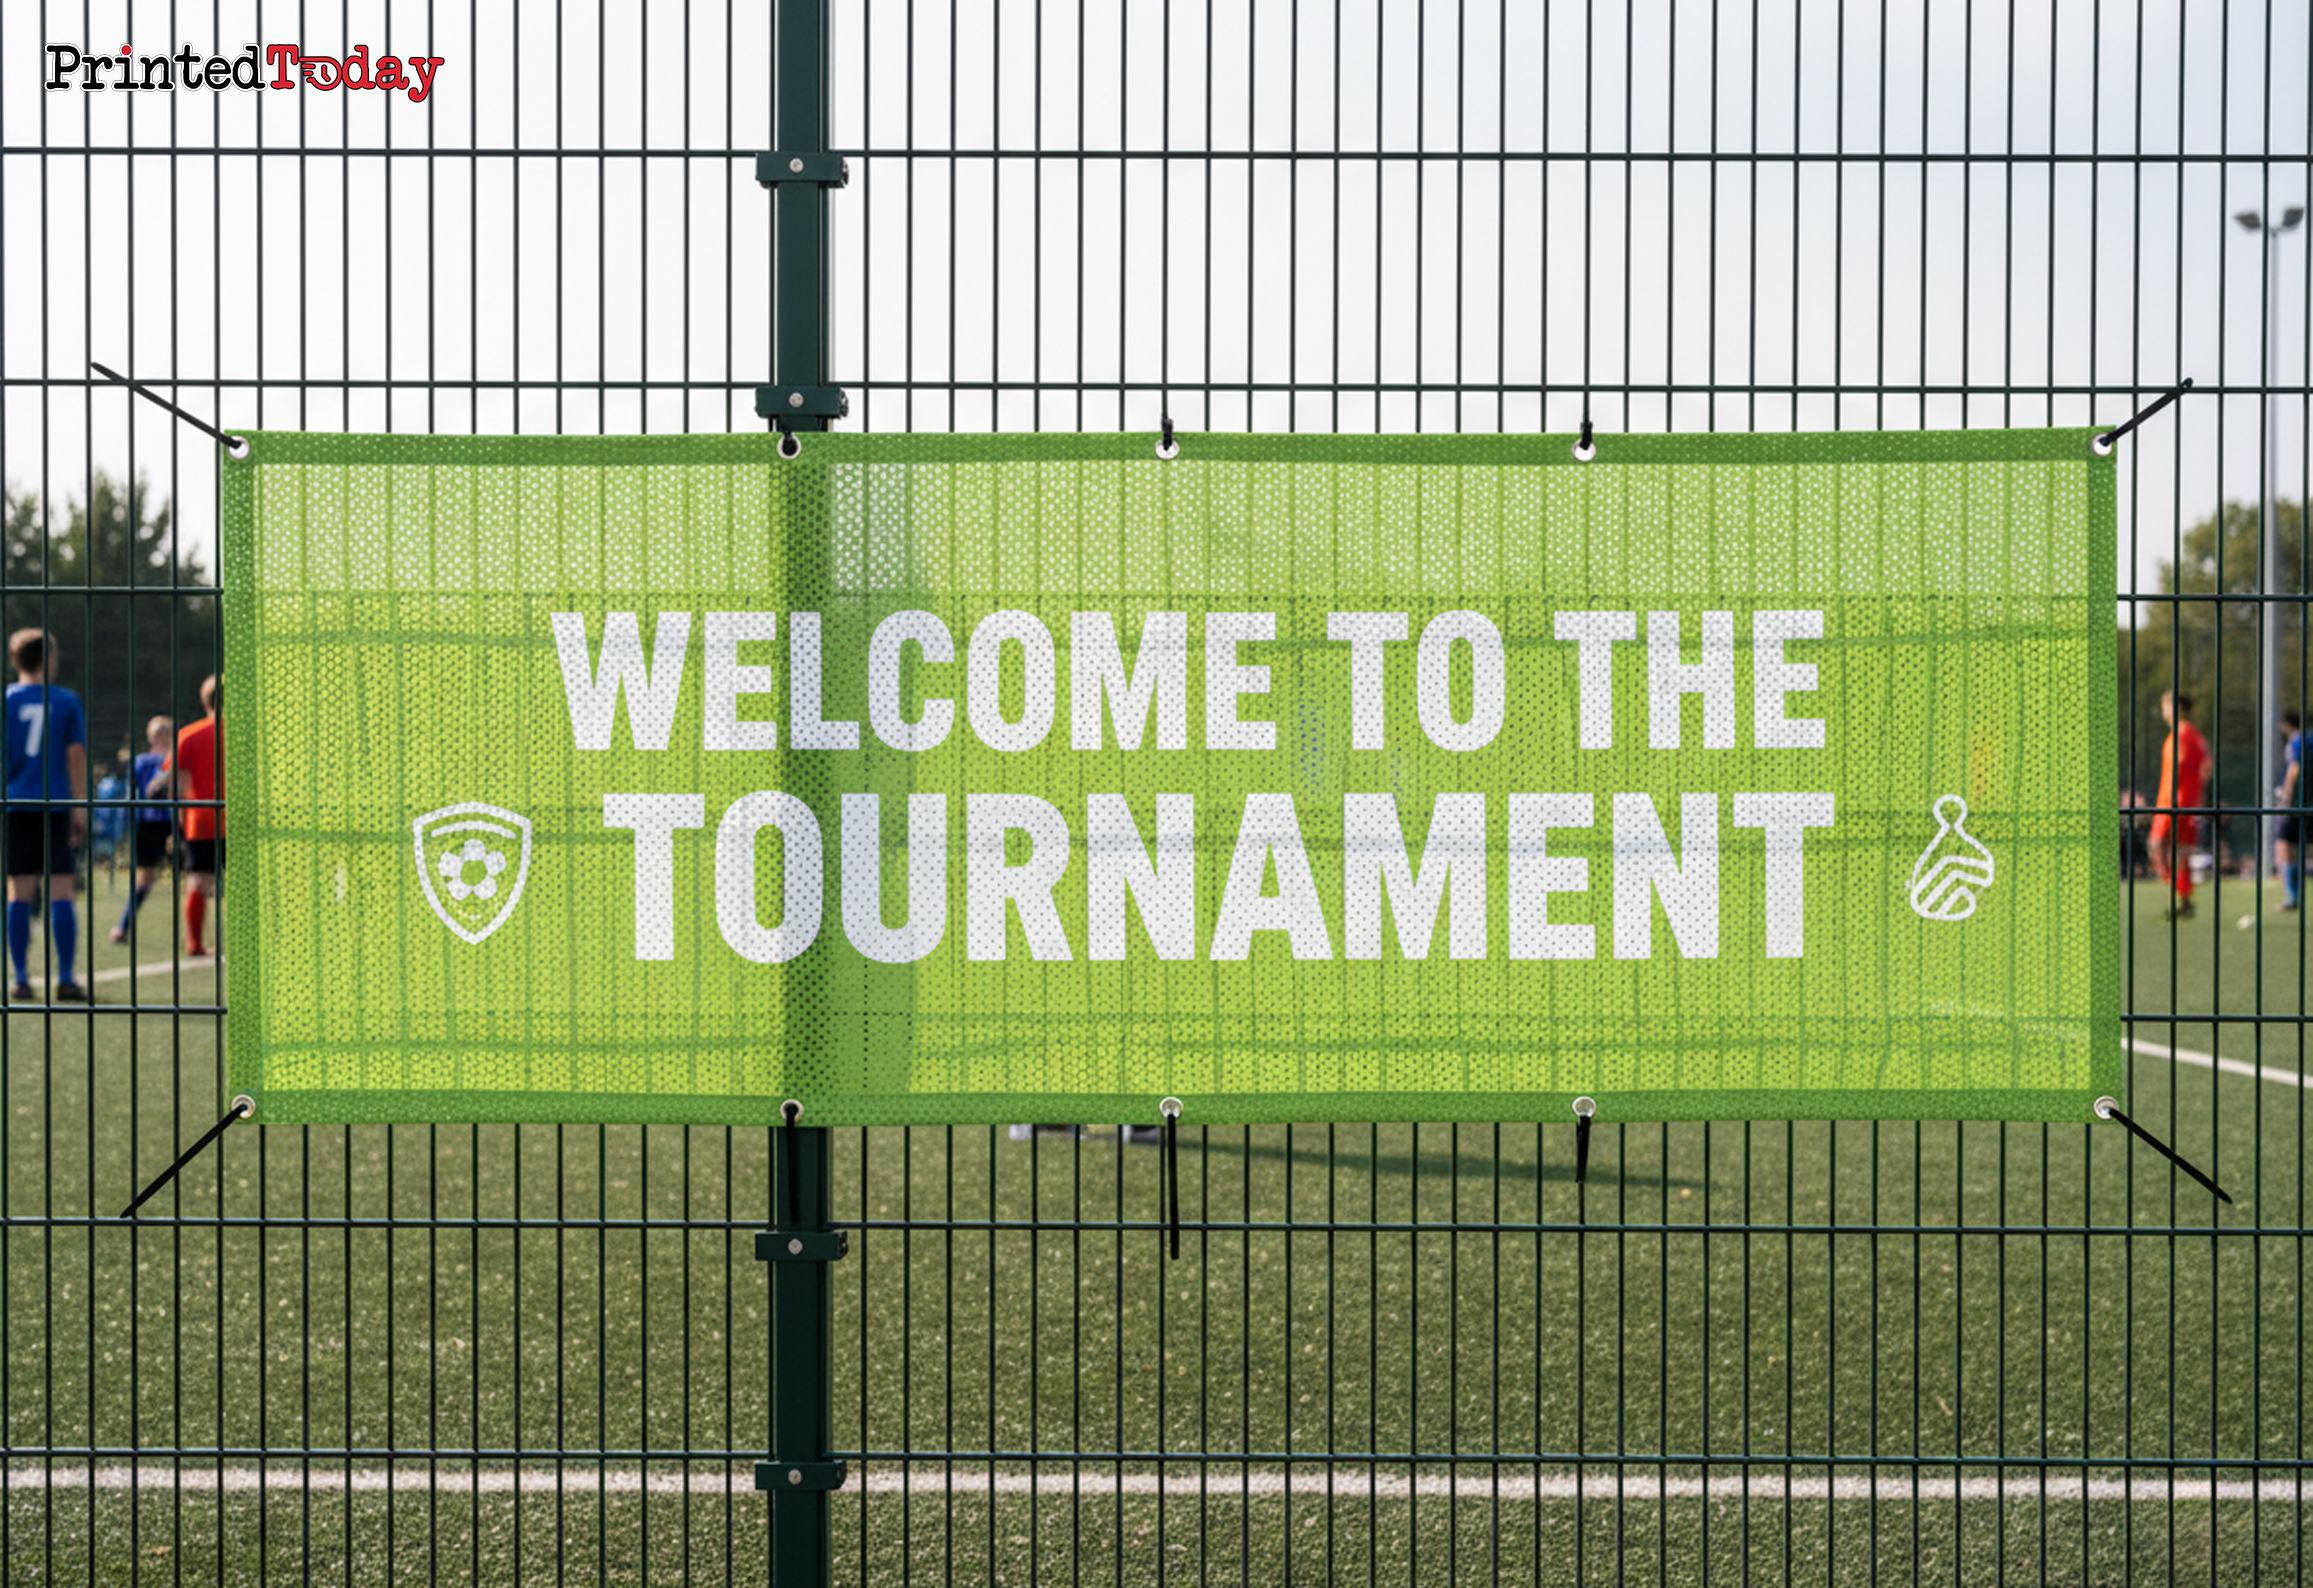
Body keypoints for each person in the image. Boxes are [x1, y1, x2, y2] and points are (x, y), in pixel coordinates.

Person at [3, 629, 88, 1000]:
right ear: (48, 660)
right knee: (62, 889)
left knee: (19, 892)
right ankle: (66, 978)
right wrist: (80, 806)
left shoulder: (6, 700)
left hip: (15, 804)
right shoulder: (66, 700)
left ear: (15, 660)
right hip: (55, 804)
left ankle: (21, 979)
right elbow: (75, 755)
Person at [111, 715, 174, 944]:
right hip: (167, 823)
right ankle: (123, 925)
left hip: (149, 823)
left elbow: (131, 796)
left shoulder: (141, 761)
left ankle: (123, 926)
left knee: (146, 879)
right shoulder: (169, 760)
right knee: (193, 877)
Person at [2149, 690, 2209, 922]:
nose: (2162, 711)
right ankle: (2183, 898)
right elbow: (2206, 767)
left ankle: (2179, 895)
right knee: (2179, 852)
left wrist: (2177, 798)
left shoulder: (2181, 735)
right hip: (2186, 802)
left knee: (2159, 847)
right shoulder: (2194, 735)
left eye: (2165, 705)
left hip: (2174, 803)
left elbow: (2180, 766)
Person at [175, 676, 222, 956]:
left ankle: (194, 942)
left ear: (205, 700)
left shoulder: (188, 735)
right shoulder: (248, 736)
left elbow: (180, 788)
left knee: (198, 881)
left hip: (200, 820)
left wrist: (182, 824)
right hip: (237, 820)